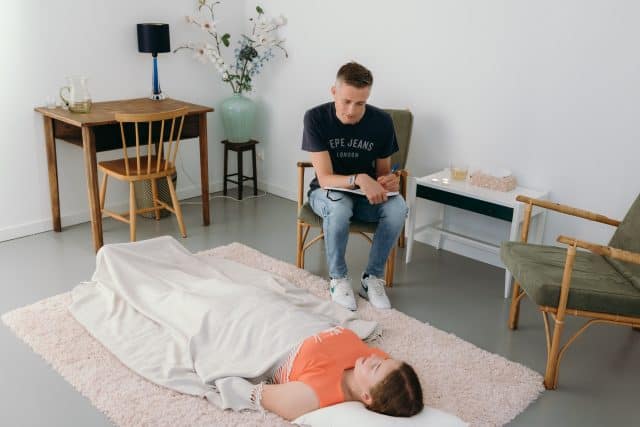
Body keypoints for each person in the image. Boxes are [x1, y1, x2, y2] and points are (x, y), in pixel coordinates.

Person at [302, 61, 408, 311]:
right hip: (326, 193)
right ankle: (338, 279)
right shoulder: (315, 117)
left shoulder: (382, 121)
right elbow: (325, 178)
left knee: (398, 208)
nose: (352, 110)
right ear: (334, 92)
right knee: (339, 207)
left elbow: (383, 173)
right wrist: (359, 177)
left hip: (363, 197)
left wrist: (389, 181)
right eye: (346, 101)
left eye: (360, 103)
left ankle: (371, 278)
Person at [258, 326, 424, 421]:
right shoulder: (376, 368)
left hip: (273, 332)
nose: (375, 356)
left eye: (376, 367)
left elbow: (256, 393)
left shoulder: (312, 395)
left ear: (367, 396)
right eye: (385, 360)